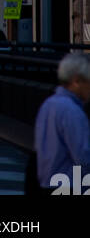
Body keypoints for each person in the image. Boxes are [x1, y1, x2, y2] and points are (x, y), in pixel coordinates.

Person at [32, 52, 90, 193]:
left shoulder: (48, 104)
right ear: (77, 81)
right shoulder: (72, 111)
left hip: (47, 182)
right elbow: (83, 157)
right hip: (69, 185)